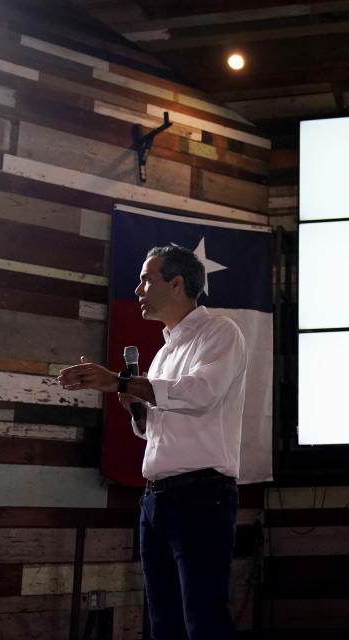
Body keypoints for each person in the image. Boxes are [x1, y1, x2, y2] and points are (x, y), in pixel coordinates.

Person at [57, 244, 246, 640]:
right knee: (164, 627)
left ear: (177, 284)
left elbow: (200, 394)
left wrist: (121, 381)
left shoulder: (220, 331)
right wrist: (137, 410)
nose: (138, 288)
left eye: (147, 278)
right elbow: (158, 428)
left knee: (204, 623)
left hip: (201, 497)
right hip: (156, 501)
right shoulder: (162, 353)